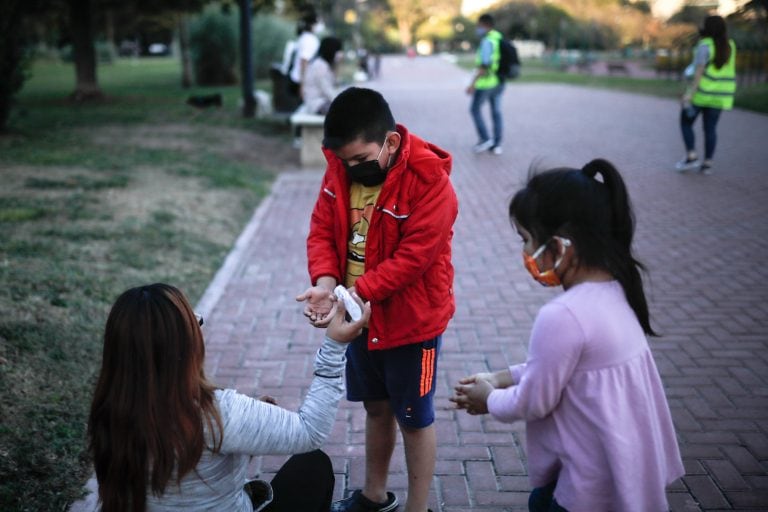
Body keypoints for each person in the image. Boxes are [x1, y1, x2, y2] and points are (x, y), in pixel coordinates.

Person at [450, 159, 684, 511]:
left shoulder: (562, 315)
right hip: (618, 473)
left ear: (560, 247)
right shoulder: (617, 290)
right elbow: (567, 370)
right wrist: (502, 377)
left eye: (528, 240)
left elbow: (533, 401)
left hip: (583, 489)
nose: (527, 253)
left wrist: (489, 398)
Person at [296, 87, 458, 512]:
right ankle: (374, 496)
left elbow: (414, 260)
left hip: (413, 323)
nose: (351, 170)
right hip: (360, 317)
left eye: (361, 161)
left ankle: (416, 508)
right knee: (375, 408)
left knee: (414, 419)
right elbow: (321, 232)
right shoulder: (339, 170)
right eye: (345, 162)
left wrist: (349, 294)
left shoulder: (430, 181)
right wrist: (327, 284)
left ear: (390, 141)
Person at [88, 282, 370, 511]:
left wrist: (248, 431)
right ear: (183, 344)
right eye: (195, 322)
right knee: (312, 466)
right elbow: (310, 433)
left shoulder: (109, 408)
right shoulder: (216, 413)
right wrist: (334, 347)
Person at [675, 15, 736, 175]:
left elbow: (698, 73)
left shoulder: (705, 46)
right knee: (710, 129)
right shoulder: (731, 46)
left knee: (685, 123)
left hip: (700, 95)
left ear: (707, 28)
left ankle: (691, 156)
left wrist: (689, 95)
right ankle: (707, 164)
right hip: (720, 97)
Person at [467, 13, 505, 155]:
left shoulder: (487, 41)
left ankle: (485, 139)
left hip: (486, 84)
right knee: (496, 113)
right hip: (499, 82)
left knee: (474, 109)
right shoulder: (498, 38)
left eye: (479, 26)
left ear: (485, 25)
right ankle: (496, 144)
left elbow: (484, 65)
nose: (478, 28)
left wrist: (472, 84)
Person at [289, 7, 323, 100]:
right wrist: (302, 86)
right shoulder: (310, 40)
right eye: (319, 22)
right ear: (312, 24)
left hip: (298, 79)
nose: (320, 25)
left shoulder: (304, 36)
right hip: (301, 80)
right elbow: (304, 61)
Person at [303, 36, 343, 115]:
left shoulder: (325, 65)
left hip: (323, 102)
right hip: (317, 104)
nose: (340, 54)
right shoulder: (320, 66)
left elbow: (334, 85)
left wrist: (337, 65)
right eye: (338, 51)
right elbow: (327, 90)